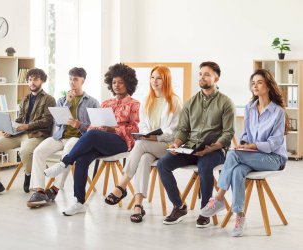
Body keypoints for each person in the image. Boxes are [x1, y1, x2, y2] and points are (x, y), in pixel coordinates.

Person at [200, 69, 288, 237]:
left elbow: (274, 143)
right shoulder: (250, 108)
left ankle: (218, 198)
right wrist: (244, 145)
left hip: (274, 158)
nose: (255, 86)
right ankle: (240, 217)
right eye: (253, 83)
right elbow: (246, 134)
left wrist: (253, 146)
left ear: (268, 86)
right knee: (238, 170)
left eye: (259, 82)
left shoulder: (278, 112)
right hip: (252, 156)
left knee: (233, 155)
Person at [44, 63, 140, 216]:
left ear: (128, 83)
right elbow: (92, 127)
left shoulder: (134, 104)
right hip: (101, 140)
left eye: (121, 82)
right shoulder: (106, 103)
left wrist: (113, 129)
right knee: (82, 159)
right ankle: (79, 202)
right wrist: (99, 127)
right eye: (114, 82)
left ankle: (64, 162)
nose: (117, 85)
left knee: (93, 135)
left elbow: (134, 130)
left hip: (121, 142)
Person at [157, 61, 235, 227]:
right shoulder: (190, 103)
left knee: (205, 166)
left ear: (216, 78)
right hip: (191, 148)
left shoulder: (226, 102)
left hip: (214, 150)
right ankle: (179, 207)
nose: (202, 77)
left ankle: (205, 210)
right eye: (200, 74)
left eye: (207, 74)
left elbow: (228, 133)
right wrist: (176, 144)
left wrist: (211, 148)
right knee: (163, 164)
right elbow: (183, 129)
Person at [104, 65, 182, 223]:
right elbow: (143, 125)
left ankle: (121, 186)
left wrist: (156, 138)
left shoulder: (174, 101)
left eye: (159, 78)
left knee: (139, 145)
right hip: (150, 145)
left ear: (166, 80)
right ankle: (138, 206)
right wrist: (147, 135)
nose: (155, 81)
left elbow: (175, 131)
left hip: (167, 145)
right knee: (144, 158)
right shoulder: (147, 100)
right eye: (152, 78)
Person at [26, 67, 99, 207]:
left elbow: (95, 127)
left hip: (78, 138)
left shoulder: (92, 102)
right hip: (60, 136)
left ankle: (54, 189)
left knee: (68, 152)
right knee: (38, 151)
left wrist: (80, 125)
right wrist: (68, 102)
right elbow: (58, 121)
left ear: (83, 81)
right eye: (70, 78)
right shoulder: (61, 100)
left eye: (75, 79)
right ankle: (39, 190)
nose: (72, 82)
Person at [0, 68, 56, 196]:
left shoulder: (49, 99)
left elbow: (47, 121)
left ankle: (29, 174)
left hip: (37, 135)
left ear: (42, 81)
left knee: (25, 151)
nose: (32, 82)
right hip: (19, 134)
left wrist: (26, 126)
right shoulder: (25, 99)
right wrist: (9, 129)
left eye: (35, 79)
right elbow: (19, 119)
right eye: (30, 79)